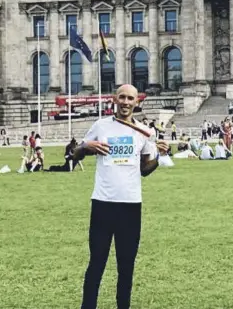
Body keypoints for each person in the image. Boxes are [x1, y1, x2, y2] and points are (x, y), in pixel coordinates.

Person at [75, 84, 168, 309]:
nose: (126, 102)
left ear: (137, 102)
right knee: (96, 263)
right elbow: (74, 154)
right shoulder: (101, 125)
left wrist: (159, 156)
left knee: (126, 266)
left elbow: (144, 170)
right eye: (122, 97)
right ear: (115, 100)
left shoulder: (145, 132)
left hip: (130, 205)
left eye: (130, 99)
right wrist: (87, 146)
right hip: (103, 204)